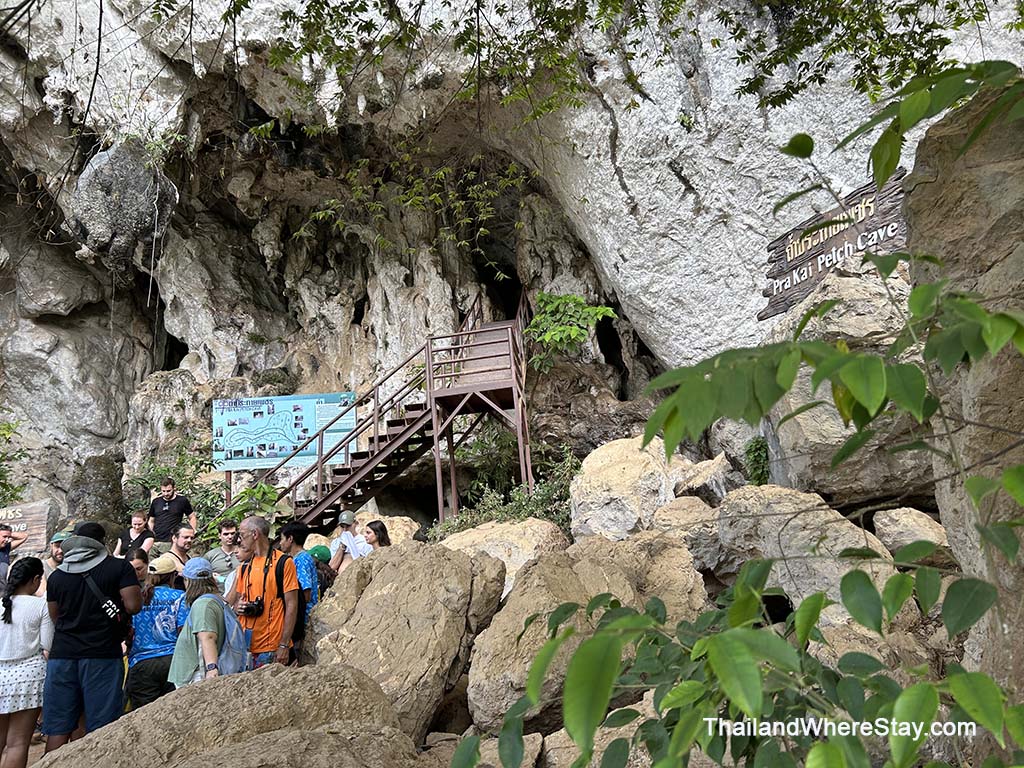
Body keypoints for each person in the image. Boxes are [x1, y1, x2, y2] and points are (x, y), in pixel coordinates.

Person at [43, 522, 142, 752]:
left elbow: (55, 616)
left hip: (62, 656)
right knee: (102, 726)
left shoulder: (57, 576)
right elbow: (133, 605)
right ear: (102, 542)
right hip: (102, 654)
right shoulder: (119, 568)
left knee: (58, 727)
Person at [226, 516, 299, 669]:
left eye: (242, 534)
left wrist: (284, 645)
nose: (239, 540)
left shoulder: (283, 563)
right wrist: (238, 607)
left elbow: (292, 604)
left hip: (271, 646)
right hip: (245, 646)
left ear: (255, 534)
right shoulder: (245, 566)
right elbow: (234, 600)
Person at [0, 558, 52, 768]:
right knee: (17, 743)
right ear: (36, 579)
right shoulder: (41, 606)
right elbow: (48, 643)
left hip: (1, 675)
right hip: (29, 678)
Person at [124, 554, 186, 709]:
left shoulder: (136, 597)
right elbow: (182, 631)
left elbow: (129, 630)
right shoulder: (179, 597)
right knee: (173, 712)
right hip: (172, 660)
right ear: (172, 576)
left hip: (142, 662)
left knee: (143, 715)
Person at [168, 558, 226, 688]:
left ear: (188, 581)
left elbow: (207, 636)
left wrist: (211, 669)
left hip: (195, 673)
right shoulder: (216, 599)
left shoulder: (203, 604)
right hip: (196, 671)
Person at [276, 523, 318, 623]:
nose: (280, 543)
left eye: (282, 539)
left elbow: (305, 594)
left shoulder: (301, 560)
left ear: (290, 539)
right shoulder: (298, 558)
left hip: (303, 616)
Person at [147, 478, 196, 549]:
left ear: (174, 488)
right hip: (155, 541)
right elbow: (151, 520)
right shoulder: (156, 502)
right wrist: (149, 535)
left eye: (168, 491)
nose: (166, 493)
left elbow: (192, 517)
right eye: (163, 491)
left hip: (172, 541)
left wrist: (192, 531)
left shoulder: (182, 501)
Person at [0, 524, 27, 588]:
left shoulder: (5, 549)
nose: (7, 540)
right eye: (4, 536)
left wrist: (8, 533)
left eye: (8, 537)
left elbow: (24, 536)